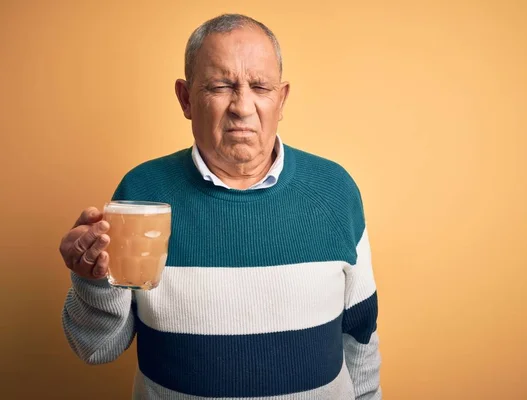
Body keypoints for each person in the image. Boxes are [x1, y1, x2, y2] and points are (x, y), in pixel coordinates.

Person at [59, 13, 382, 400]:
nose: (242, 107)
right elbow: (97, 348)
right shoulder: (141, 194)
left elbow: (361, 338)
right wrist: (93, 281)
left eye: (260, 86)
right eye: (220, 86)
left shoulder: (335, 190)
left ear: (282, 99)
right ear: (185, 98)